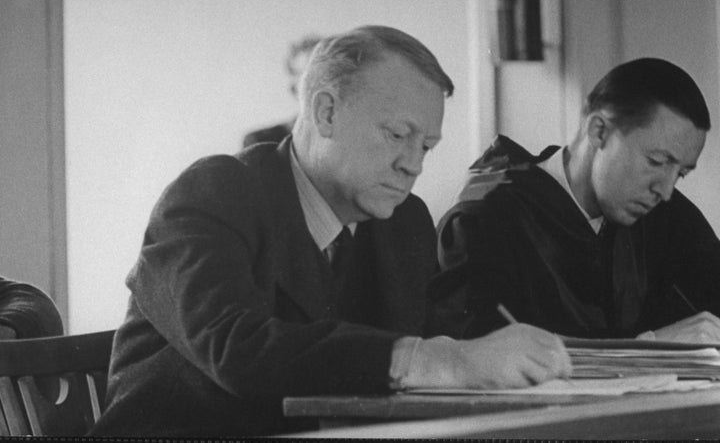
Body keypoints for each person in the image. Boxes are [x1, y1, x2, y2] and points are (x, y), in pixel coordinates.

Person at [91, 25, 571, 437]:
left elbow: (430, 356)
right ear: (326, 113)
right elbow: (238, 349)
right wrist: (442, 362)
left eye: (427, 145)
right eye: (398, 135)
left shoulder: (406, 221)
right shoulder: (213, 192)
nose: (413, 165)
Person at [427, 58, 720, 343]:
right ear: (599, 131)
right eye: (656, 161)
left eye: (680, 173)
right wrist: (650, 345)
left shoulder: (663, 212)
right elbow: (480, 357)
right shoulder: (484, 218)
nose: (666, 190)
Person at [241, 34, 322, 148]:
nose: (321, 83)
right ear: (294, 90)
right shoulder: (261, 142)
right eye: (310, 76)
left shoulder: (351, 135)